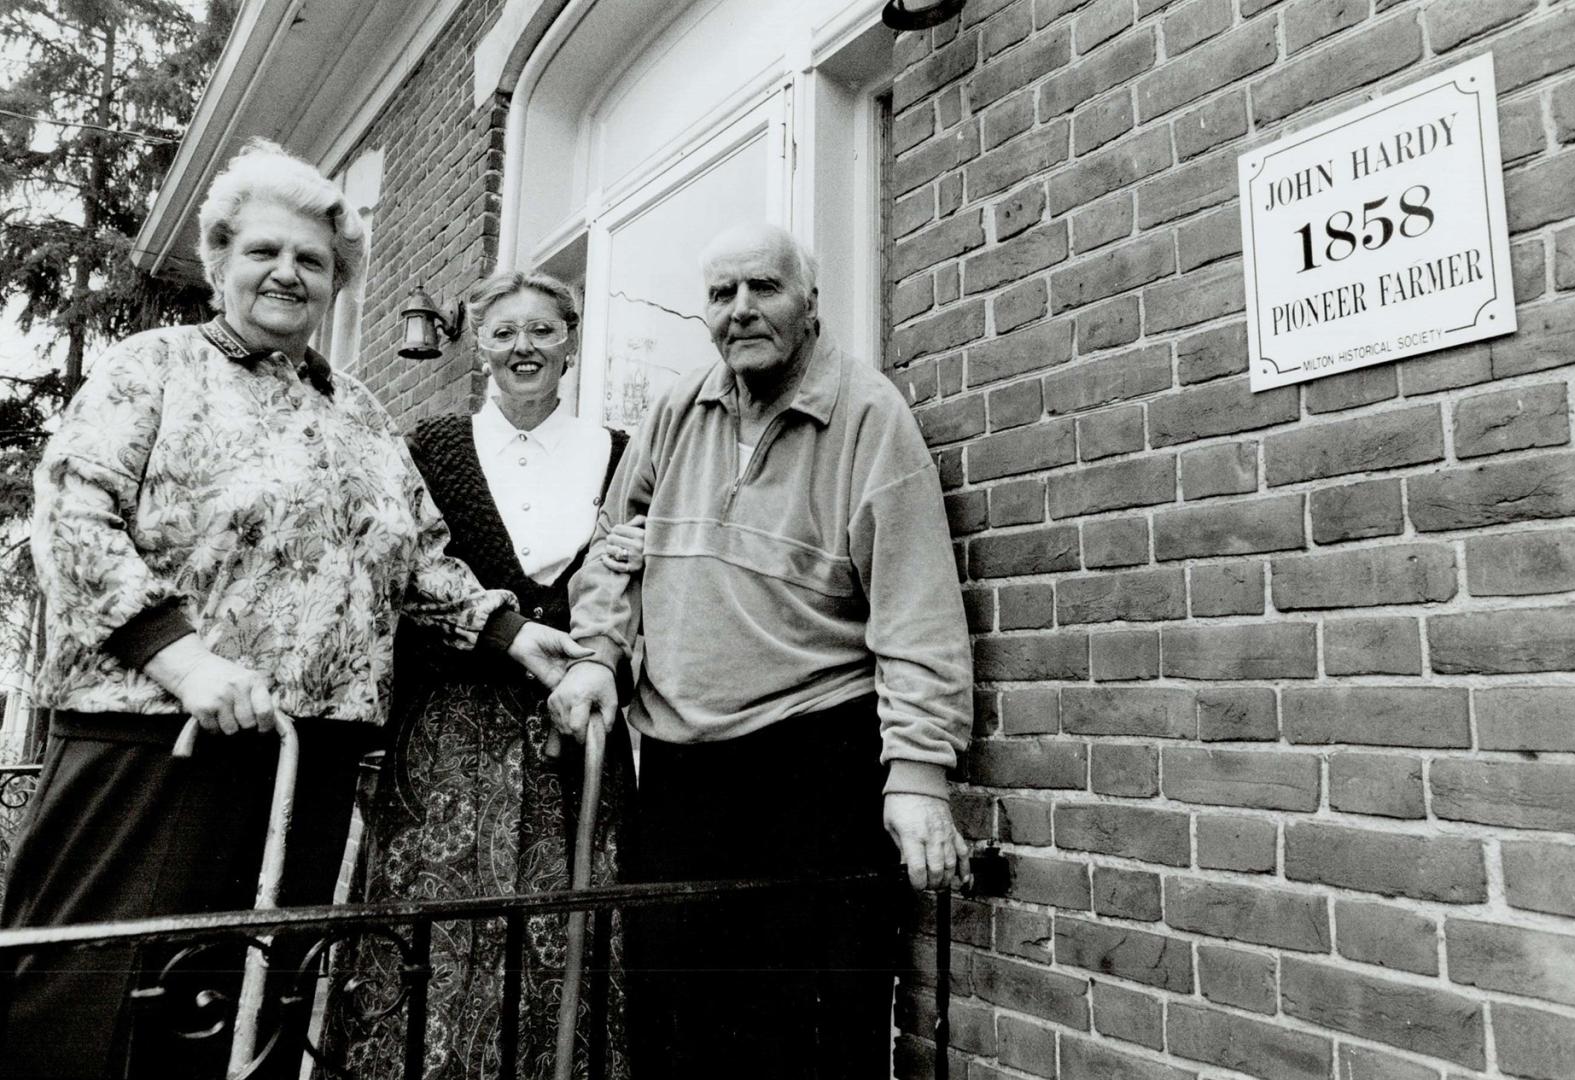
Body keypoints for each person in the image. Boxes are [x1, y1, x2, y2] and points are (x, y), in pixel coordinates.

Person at [0, 140, 587, 1080]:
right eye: (264, 251)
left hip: (310, 759)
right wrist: (184, 660)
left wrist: (515, 634)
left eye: (312, 260)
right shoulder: (152, 368)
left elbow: (420, 564)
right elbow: (73, 517)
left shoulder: (357, 412)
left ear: (337, 283)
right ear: (221, 259)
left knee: (261, 1013)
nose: (288, 273)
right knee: (97, 1008)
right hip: (156, 747)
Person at [551, 222, 974, 1078]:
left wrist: (919, 776)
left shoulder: (867, 417)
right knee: (677, 1011)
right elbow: (609, 552)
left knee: (808, 1023)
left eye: (764, 289)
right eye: (720, 294)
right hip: (675, 763)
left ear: (810, 304)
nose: (741, 310)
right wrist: (597, 653)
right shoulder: (677, 409)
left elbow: (916, 608)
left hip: (812, 757)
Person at [334, 269, 641, 1080]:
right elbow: (403, 588)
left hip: (579, 733)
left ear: (571, 340)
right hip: (448, 737)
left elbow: (639, 592)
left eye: (543, 329)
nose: (523, 348)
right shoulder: (429, 448)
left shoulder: (621, 454)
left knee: (564, 924)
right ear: (477, 347)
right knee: (438, 925)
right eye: (503, 332)